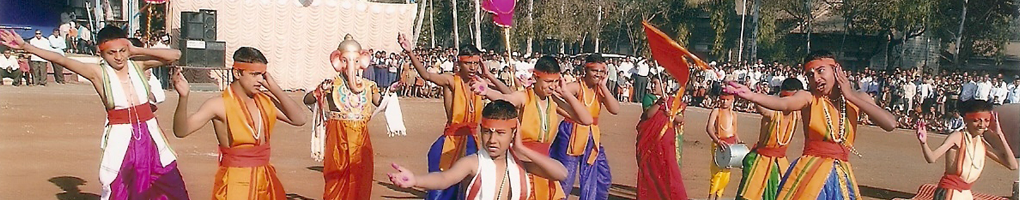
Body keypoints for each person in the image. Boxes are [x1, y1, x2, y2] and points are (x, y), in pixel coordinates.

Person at [0, 26, 190, 199]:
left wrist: (136, 50)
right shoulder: (97, 73)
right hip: (121, 139)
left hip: (150, 138)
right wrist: (25, 45)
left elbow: (176, 54)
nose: (118, 57)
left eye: (122, 51)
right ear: (102, 53)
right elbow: (61, 59)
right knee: (121, 187)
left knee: (168, 184)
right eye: (111, 53)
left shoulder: (138, 65)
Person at [723, 50, 897, 200]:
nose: (816, 78)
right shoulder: (809, 98)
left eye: (821, 71)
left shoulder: (857, 98)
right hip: (809, 173)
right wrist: (751, 95)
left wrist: (850, 95)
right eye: (810, 75)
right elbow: (784, 104)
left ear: (836, 70)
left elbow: (890, 124)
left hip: (841, 175)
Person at [171, 47, 308, 199]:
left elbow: (299, 119)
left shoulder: (265, 100)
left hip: (265, 178)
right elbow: (181, 131)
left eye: (262, 75)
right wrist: (183, 98)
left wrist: (275, 88)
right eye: (254, 74)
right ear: (237, 73)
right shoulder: (218, 104)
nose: (260, 80)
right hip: (235, 181)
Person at [397, 34, 513, 200]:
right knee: (440, 191)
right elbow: (426, 75)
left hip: (474, 142)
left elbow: (508, 94)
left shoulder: (480, 83)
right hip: (451, 142)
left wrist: (488, 75)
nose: (472, 67)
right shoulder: (451, 80)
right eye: (468, 63)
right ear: (459, 63)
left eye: (475, 63)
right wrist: (410, 53)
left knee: (470, 190)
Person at [387, 100, 569, 200]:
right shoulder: (473, 162)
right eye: (487, 132)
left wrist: (521, 148)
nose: (492, 140)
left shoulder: (521, 164)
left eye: (500, 133)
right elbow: (444, 178)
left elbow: (561, 173)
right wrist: (415, 180)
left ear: (514, 132)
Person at [475, 56, 594, 200]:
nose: (552, 86)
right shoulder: (524, 97)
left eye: (556, 82)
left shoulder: (554, 102)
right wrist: (486, 91)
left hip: (543, 167)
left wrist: (566, 94)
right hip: (521, 165)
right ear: (535, 77)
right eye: (548, 82)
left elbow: (586, 119)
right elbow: (506, 99)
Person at [302, 34, 387, 200]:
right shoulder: (332, 84)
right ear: (338, 61)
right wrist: (320, 90)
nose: (352, 65)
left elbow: (381, 103)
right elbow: (308, 100)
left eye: (356, 61)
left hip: (361, 137)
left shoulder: (369, 86)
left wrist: (390, 94)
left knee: (361, 174)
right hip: (337, 136)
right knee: (336, 174)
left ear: (362, 61)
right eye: (346, 60)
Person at [549, 53, 620, 199]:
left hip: (592, 135)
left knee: (601, 175)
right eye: (594, 70)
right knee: (565, 178)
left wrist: (603, 86)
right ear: (585, 70)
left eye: (601, 71)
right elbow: (555, 93)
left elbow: (615, 109)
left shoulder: (600, 90)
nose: (598, 74)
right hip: (571, 133)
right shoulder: (576, 86)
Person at [915, 100, 1018, 200]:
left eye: (986, 120)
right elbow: (932, 158)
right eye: (976, 120)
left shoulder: (982, 144)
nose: (982, 125)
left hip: (966, 193)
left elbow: (1013, 165)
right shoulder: (957, 137)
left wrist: (1000, 135)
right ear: (965, 120)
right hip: (950, 192)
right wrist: (923, 142)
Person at [735, 78, 803, 200]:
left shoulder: (797, 114)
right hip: (760, 161)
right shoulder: (772, 113)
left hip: (780, 163)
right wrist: (753, 96)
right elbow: (762, 108)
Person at [636, 82, 689, 200]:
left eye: (656, 83)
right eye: (652, 83)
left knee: (669, 168)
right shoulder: (648, 98)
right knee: (651, 168)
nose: (653, 86)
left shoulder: (672, 101)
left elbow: (681, 119)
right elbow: (648, 115)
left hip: (667, 142)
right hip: (651, 141)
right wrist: (659, 103)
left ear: (664, 85)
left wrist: (672, 115)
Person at [706, 94, 741, 200]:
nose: (724, 102)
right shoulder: (716, 111)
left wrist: (739, 142)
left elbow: (734, 132)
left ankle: (719, 196)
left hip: (730, 145)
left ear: (732, 100)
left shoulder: (734, 114)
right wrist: (718, 141)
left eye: (727, 100)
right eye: (722, 99)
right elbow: (709, 128)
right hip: (719, 144)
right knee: (716, 172)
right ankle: (710, 196)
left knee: (726, 173)